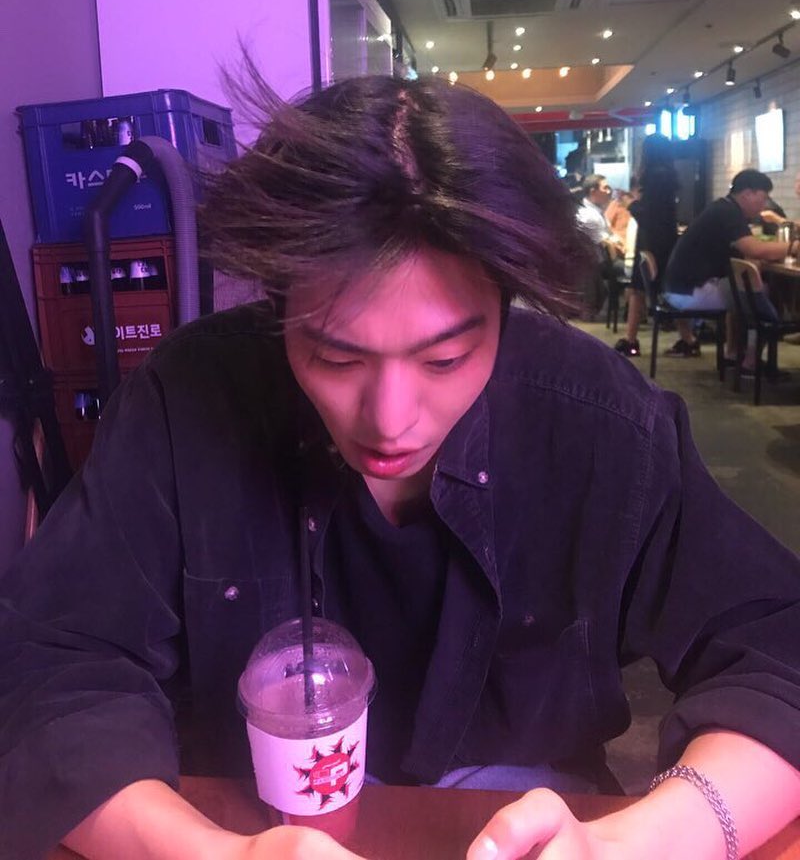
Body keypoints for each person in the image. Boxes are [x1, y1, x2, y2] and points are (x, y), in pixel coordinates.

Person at [1, 71, 799, 860]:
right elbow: (50, 666)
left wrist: (643, 840)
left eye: (445, 358)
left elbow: (778, 647)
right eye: (335, 356)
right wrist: (213, 855)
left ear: (505, 305)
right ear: (279, 306)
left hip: (534, 814)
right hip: (242, 808)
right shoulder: (188, 399)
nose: (389, 419)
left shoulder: (598, 419)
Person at [662, 169, 800, 362]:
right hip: (689, 292)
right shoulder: (728, 213)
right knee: (761, 293)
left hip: (679, 288)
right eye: (763, 198)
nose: (764, 205)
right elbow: (755, 250)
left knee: (744, 288)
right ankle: (751, 362)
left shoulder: (723, 207)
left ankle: (735, 354)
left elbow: (748, 252)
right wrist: (793, 247)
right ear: (747, 194)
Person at [613, 134, 679, 358]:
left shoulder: (655, 176)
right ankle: (688, 339)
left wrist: (629, 203)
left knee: (639, 288)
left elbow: (647, 214)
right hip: (664, 239)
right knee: (660, 290)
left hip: (652, 241)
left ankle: (631, 340)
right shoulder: (668, 176)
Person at [576, 174, 627, 318]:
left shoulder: (596, 212)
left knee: (636, 266)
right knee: (636, 270)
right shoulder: (588, 216)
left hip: (600, 262)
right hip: (597, 264)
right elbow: (608, 245)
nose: (609, 191)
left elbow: (611, 236)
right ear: (593, 191)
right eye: (605, 188)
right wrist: (620, 244)